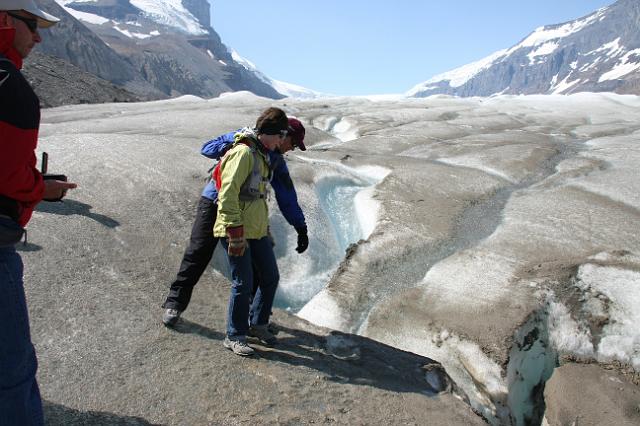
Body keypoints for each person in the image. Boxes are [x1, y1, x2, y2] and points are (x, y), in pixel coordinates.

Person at [0, 1, 77, 424]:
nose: (39, 36)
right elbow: (8, 175)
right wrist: (41, 188)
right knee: (11, 370)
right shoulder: (11, 86)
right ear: (6, 21)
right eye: (33, 25)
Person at [161, 117, 308, 327]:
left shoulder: (274, 160)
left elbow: (287, 195)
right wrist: (235, 143)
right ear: (282, 134)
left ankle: (251, 317)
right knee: (199, 251)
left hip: (246, 212)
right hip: (214, 201)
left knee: (256, 263)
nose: (291, 149)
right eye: (293, 144)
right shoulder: (244, 138)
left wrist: (300, 226)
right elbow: (207, 148)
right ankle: (174, 302)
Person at [212, 107, 291, 356]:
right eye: (280, 136)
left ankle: (258, 324)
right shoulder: (244, 153)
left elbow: (257, 197)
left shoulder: (261, 154)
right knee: (243, 282)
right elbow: (227, 195)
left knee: (270, 276)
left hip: (256, 229)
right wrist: (235, 233)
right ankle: (234, 335)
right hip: (237, 230)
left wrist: (264, 228)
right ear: (269, 133)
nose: (281, 142)